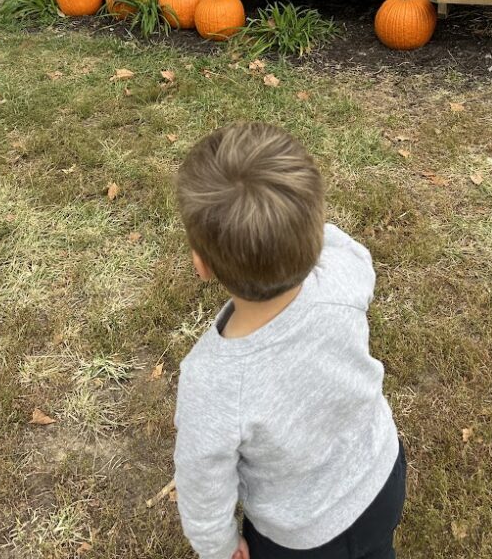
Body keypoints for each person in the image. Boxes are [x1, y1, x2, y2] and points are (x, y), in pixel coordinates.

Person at [174, 123, 405, 559]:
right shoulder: (340, 278)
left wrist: (219, 546)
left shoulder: (212, 380)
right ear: (316, 234)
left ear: (201, 265)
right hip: (379, 480)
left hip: (300, 539)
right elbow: (347, 248)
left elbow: (202, 481)